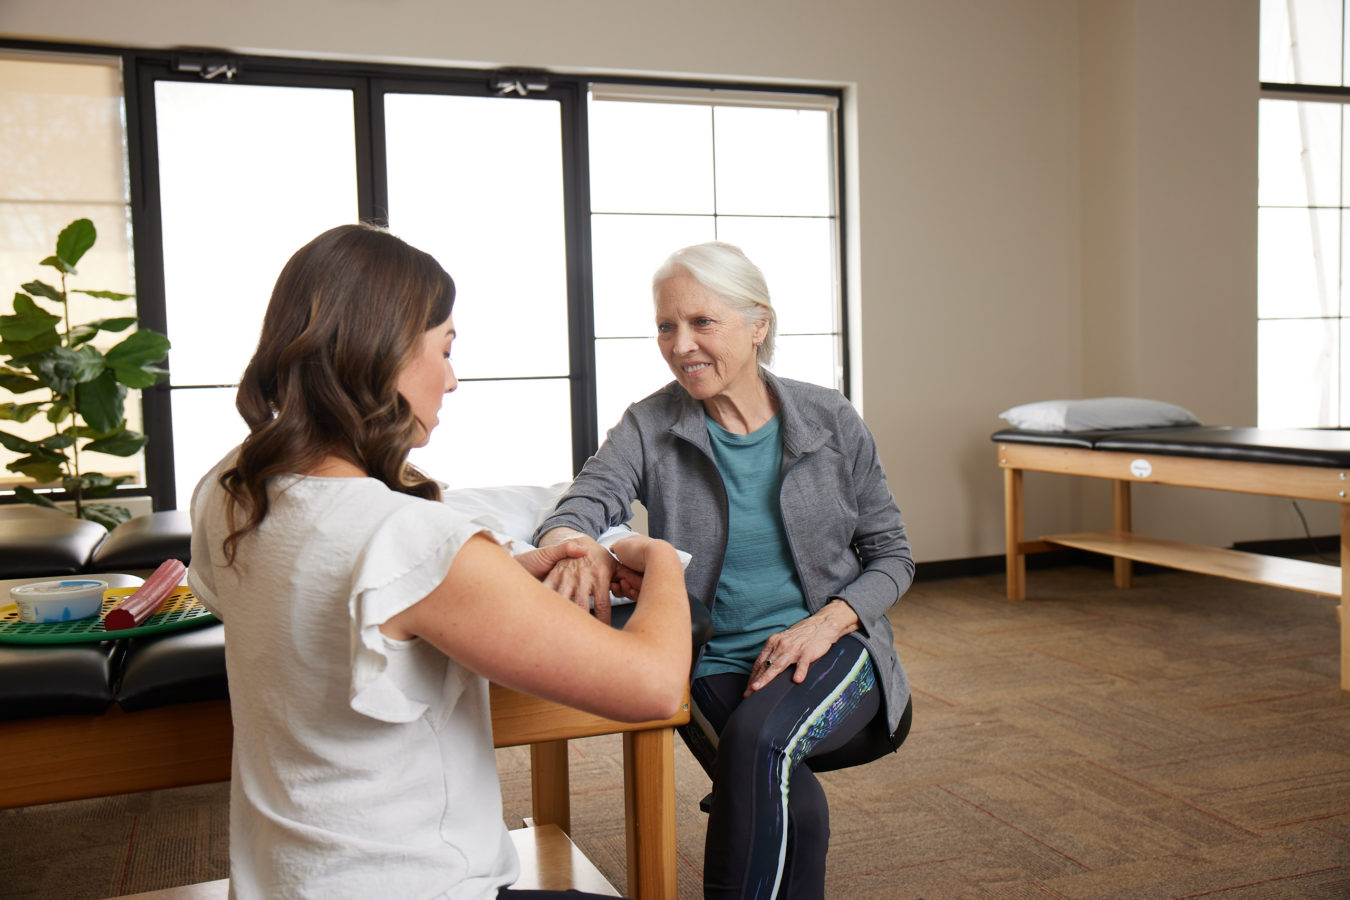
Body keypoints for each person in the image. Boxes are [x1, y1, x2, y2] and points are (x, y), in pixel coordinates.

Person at [186, 224, 691, 900]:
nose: (452, 379)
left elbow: (326, 592)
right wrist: (658, 556)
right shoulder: (410, 537)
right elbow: (655, 686)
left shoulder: (230, 490)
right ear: (381, 354)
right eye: (445, 350)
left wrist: (501, 577)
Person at [533, 241, 914, 900]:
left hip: (831, 648)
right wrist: (579, 543)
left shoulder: (830, 419)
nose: (680, 345)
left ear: (758, 323)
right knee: (793, 800)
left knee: (759, 748)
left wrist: (825, 624)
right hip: (713, 662)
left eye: (702, 322)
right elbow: (572, 513)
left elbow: (893, 556)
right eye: (665, 326)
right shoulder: (650, 425)